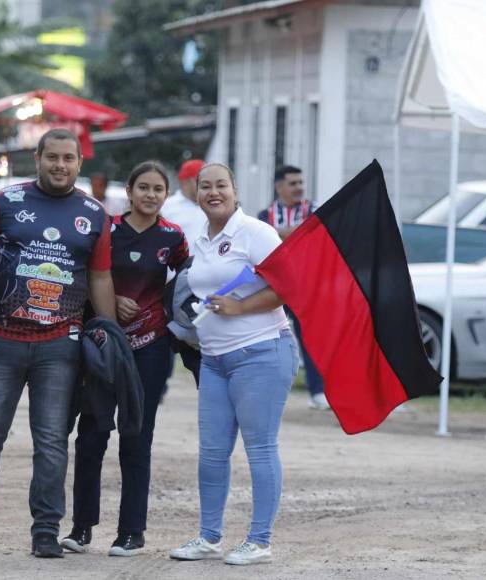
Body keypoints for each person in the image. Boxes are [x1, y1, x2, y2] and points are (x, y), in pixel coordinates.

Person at [0, 128, 117, 558]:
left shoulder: (94, 213)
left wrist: (110, 334)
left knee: (50, 442)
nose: (60, 166)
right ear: (38, 157)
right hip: (1, 342)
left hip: (59, 347)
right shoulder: (6, 202)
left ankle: (45, 531)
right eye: (53, 158)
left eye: (69, 158)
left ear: (79, 163)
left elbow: (100, 278)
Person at [169, 163, 298, 566]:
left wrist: (240, 307)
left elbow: (287, 285)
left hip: (260, 352)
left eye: (220, 185)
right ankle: (209, 537)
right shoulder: (202, 239)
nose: (212, 192)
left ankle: (259, 541)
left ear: (235, 189)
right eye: (205, 186)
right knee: (211, 453)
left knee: (259, 448)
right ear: (196, 193)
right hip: (214, 360)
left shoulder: (256, 233)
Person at [62, 161, 189, 557]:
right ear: (129, 192)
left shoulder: (173, 236)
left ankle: (132, 532)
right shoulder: (106, 229)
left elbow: (187, 280)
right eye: (144, 188)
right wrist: (110, 301)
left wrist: (170, 318)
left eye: (158, 190)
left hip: (150, 350)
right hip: (103, 347)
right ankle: (81, 528)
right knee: (92, 435)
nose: (150, 195)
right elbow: (84, 276)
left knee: (137, 438)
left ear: (165, 196)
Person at [258, 166, 329, 411]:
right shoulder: (264, 214)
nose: (299, 187)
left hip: (307, 286)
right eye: (293, 183)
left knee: (312, 338)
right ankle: (262, 389)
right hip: (274, 286)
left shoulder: (315, 209)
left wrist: (280, 233)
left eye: (301, 182)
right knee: (266, 337)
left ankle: (319, 391)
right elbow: (261, 242)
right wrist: (298, 231)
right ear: (279, 187)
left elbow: (319, 237)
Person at [161, 159, 206, 385]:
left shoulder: (210, 206)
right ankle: (161, 382)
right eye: (201, 181)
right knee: (170, 334)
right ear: (188, 181)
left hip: (204, 283)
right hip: (173, 282)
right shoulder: (169, 207)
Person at [162, 159, 206, 250]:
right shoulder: (165, 207)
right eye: (201, 180)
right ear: (186, 181)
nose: (206, 184)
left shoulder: (212, 207)